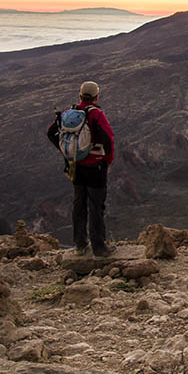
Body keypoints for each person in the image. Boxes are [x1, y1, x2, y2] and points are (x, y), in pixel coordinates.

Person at [46, 80, 115, 256]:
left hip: (75, 166)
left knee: (79, 204)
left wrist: (68, 153)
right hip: (95, 168)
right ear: (96, 96)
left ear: (80, 95)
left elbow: (51, 132)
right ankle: (99, 247)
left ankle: (80, 244)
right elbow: (108, 139)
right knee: (96, 206)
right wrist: (106, 160)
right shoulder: (96, 114)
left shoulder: (69, 113)